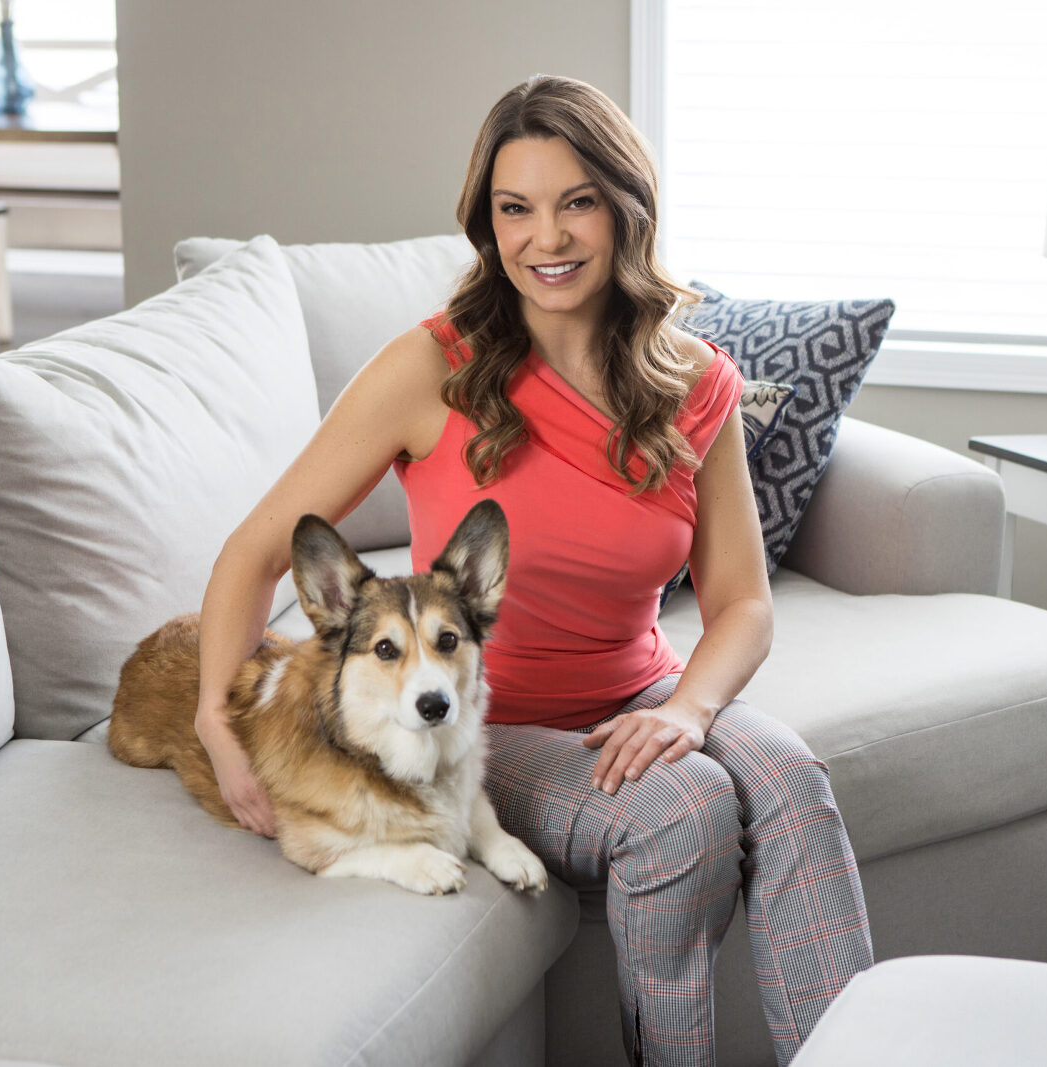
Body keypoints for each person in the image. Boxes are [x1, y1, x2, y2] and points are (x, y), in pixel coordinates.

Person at [193, 74, 872, 1067]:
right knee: (683, 811)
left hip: (637, 685)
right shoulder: (431, 367)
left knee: (792, 781)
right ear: (486, 224)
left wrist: (685, 709)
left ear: (623, 208)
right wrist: (216, 714)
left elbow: (741, 604)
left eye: (575, 203)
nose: (545, 238)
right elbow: (256, 547)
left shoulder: (696, 382)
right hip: (486, 716)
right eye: (515, 209)